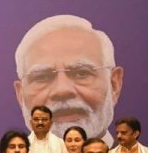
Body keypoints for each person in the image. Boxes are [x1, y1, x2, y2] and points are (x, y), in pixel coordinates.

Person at [14, 14, 122, 144]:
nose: (62, 90)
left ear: (114, 84)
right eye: (42, 77)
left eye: (82, 73)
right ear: (20, 95)